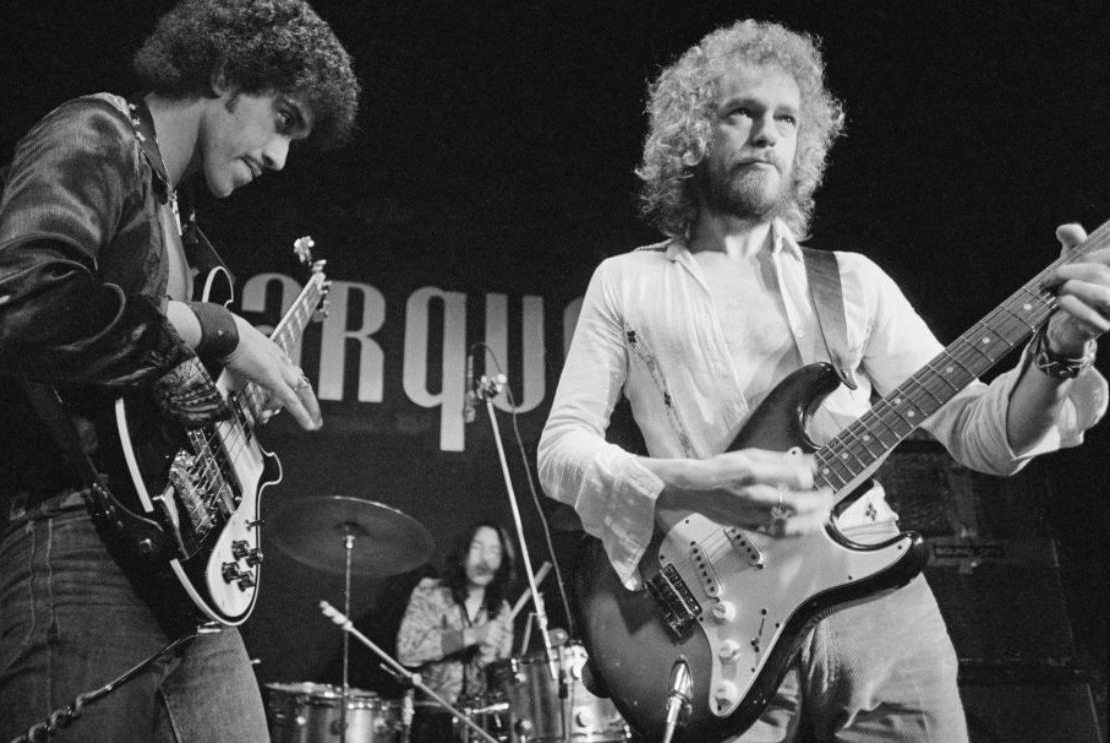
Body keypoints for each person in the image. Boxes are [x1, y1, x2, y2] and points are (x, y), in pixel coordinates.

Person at [537, 19, 1108, 743]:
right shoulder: (624, 281)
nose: (766, 132)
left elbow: (983, 435)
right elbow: (560, 451)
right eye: (739, 111)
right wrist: (691, 485)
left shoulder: (852, 282)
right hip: (713, 630)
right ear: (689, 135)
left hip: (877, 610)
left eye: (785, 118)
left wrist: (1058, 351)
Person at [0, 1, 358, 741]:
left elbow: (144, 378)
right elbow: (12, 307)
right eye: (283, 119)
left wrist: (226, 400)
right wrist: (221, 329)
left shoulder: (191, 238)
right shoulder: (93, 134)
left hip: (187, 583)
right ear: (228, 72)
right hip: (81, 548)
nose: (279, 158)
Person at [396, 521, 518, 743]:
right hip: (431, 720)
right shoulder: (431, 592)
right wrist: (468, 636)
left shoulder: (501, 609)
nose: (484, 559)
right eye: (477, 547)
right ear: (463, 552)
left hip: (479, 726)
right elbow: (406, 651)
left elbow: (498, 678)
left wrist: (487, 657)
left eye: (494, 551)